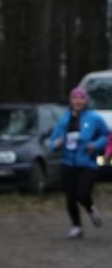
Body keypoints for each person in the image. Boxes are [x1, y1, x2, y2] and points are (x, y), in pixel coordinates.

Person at [49, 86, 108, 240]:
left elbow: (106, 135)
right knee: (70, 197)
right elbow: (52, 141)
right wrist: (57, 144)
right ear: (71, 100)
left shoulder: (94, 118)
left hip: (87, 164)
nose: (78, 101)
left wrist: (95, 146)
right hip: (67, 163)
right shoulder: (64, 119)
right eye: (75, 97)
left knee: (82, 194)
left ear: (86, 100)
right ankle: (77, 227)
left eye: (81, 98)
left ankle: (91, 209)